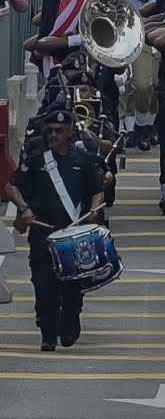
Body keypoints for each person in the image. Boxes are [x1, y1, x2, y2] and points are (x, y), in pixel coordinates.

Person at [5, 109, 105, 351]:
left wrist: (94, 211)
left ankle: (70, 321)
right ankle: (48, 335)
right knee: (43, 285)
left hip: (73, 231)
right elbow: (11, 186)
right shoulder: (36, 161)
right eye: (49, 131)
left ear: (70, 132)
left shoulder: (83, 160)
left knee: (72, 287)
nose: (53, 135)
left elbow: (97, 191)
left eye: (59, 131)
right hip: (43, 231)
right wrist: (24, 208)